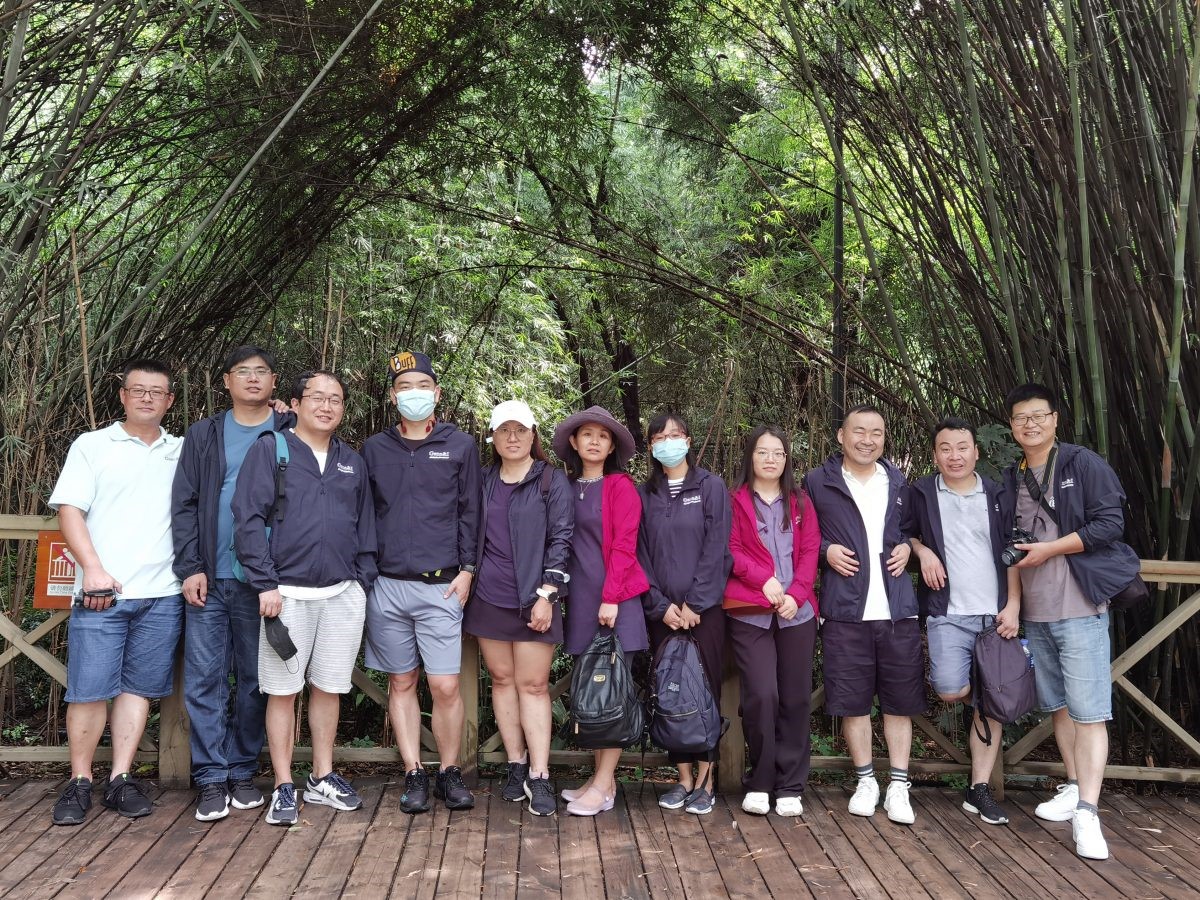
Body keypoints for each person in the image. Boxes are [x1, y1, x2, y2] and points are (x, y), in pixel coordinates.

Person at [1001, 384, 1140, 860]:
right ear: (1012, 426)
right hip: (1037, 612)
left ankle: (1088, 812)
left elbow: (1110, 524)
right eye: (1021, 418)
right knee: (1059, 707)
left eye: (1038, 415)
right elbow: (1011, 546)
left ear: (1055, 419)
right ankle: (1075, 786)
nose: (1030, 424)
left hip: (1080, 607)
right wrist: (1014, 603)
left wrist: (1051, 549)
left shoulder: (1082, 464)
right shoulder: (1014, 475)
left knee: (1089, 712)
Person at [232, 370, 377, 826]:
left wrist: (361, 582)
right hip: (285, 595)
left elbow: (365, 525)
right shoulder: (271, 450)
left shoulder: (351, 460)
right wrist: (265, 583)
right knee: (282, 691)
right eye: (317, 397)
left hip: (341, 593)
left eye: (335, 399)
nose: (326, 406)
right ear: (295, 403)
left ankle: (321, 775)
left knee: (330, 687)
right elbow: (247, 519)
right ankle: (282, 784)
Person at [48, 359, 184, 826]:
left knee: (137, 690)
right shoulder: (92, 445)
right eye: (138, 390)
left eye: (157, 391)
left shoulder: (181, 450)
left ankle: (120, 778)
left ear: (169, 400)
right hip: (102, 592)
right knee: (88, 691)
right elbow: (70, 510)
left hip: (162, 594)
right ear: (123, 396)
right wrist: (93, 570)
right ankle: (79, 780)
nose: (147, 397)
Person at [171, 346, 293, 821]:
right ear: (226, 381)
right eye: (243, 371)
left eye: (262, 371)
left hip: (262, 579)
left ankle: (242, 770)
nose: (253, 378)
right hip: (209, 574)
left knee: (256, 680)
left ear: (274, 381)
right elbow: (185, 503)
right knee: (204, 679)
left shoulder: (288, 429)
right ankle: (210, 776)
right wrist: (191, 566)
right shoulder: (203, 433)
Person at [361, 351, 481, 814]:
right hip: (387, 584)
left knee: (445, 685)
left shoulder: (460, 445)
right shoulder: (374, 449)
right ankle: (413, 771)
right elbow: (363, 514)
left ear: (437, 393)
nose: (414, 394)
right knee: (401, 681)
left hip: (442, 585)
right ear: (393, 397)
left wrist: (467, 569)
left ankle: (449, 771)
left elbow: (471, 511)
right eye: (404, 387)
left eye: (422, 386)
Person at [803, 404, 923, 825]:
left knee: (899, 702)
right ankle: (866, 780)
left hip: (897, 611)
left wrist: (909, 548)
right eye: (859, 431)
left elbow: (913, 532)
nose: (867, 440)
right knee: (852, 703)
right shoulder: (817, 482)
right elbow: (801, 537)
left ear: (884, 438)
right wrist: (825, 551)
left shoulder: (900, 482)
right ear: (841, 435)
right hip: (845, 611)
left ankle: (899, 785)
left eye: (876, 432)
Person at [906, 417, 1021, 826]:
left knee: (992, 704)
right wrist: (922, 551)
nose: (954, 456)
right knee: (950, 688)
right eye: (945, 448)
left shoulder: (998, 494)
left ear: (976, 451)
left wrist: (1014, 605)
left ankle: (979, 788)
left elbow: (1014, 552)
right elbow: (902, 532)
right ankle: (983, 696)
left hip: (995, 615)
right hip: (948, 612)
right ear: (935, 454)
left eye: (962, 447)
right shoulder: (921, 492)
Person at [463, 400, 572, 817]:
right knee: (503, 680)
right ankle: (516, 764)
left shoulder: (550, 481)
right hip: (489, 597)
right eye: (504, 430)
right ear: (492, 437)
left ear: (533, 435)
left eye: (521, 430)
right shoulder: (483, 480)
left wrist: (548, 594)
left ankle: (540, 774)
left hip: (534, 599)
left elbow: (562, 538)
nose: (512, 437)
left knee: (534, 685)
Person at [553, 405, 649, 816]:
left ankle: (605, 783)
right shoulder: (563, 486)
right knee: (594, 693)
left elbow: (625, 545)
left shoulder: (620, 487)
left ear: (611, 448)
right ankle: (600, 782)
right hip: (580, 603)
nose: (594, 441)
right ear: (574, 443)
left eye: (603, 436)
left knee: (613, 693)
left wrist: (611, 597)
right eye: (587, 434)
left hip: (616, 601)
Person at [724, 425, 820, 818]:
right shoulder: (733, 500)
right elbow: (729, 548)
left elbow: (811, 550)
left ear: (786, 459)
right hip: (751, 611)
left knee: (796, 698)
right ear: (750, 456)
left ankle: (791, 785)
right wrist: (762, 579)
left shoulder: (801, 502)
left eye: (778, 453)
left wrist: (797, 594)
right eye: (763, 452)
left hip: (797, 613)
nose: (770, 459)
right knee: (762, 695)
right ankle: (760, 781)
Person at [638, 412, 730, 816]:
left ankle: (707, 780)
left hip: (704, 613)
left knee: (705, 690)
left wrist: (696, 603)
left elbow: (718, 548)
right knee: (670, 691)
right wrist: (660, 606)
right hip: (663, 614)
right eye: (659, 437)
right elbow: (638, 554)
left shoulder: (710, 487)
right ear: (651, 447)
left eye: (675, 435)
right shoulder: (645, 494)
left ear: (689, 441)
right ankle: (683, 778)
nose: (668, 442)